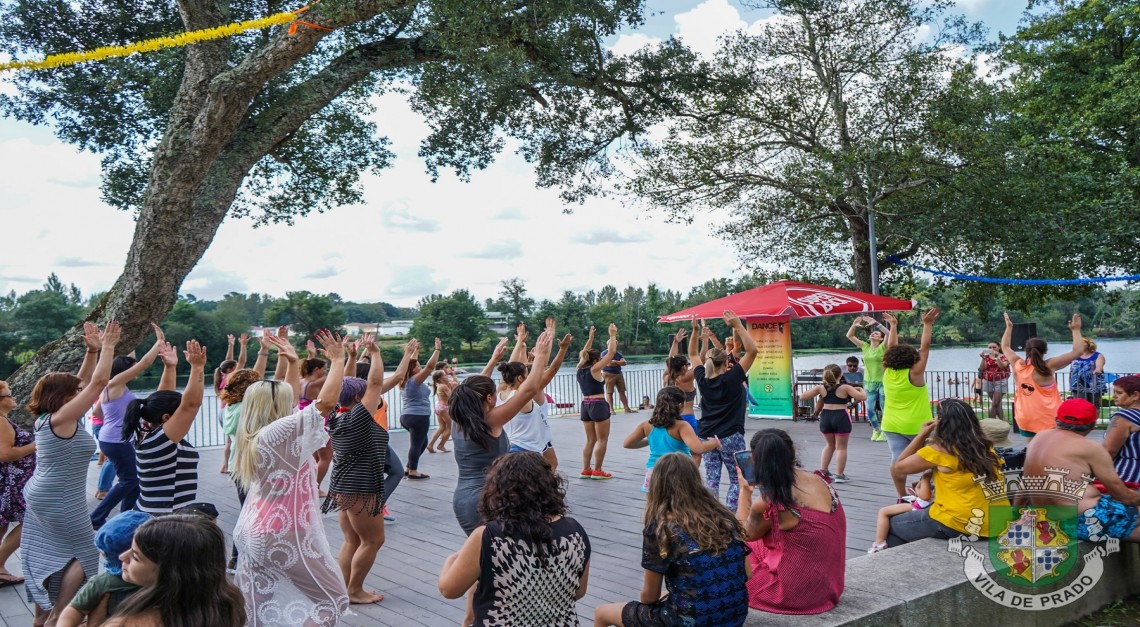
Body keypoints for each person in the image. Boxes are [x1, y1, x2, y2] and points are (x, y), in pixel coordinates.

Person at [231, 330, 350, 626]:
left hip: (251, 528)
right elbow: (324, 403)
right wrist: (338, 360)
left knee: (255, 608)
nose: (295, 402)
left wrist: (294, 361)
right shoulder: (276, 435)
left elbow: (283, 394)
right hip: (280, 531)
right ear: (277, 407)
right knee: (333, 600)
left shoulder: (251, 435)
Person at [449, 331, 554, 626]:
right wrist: (542, 353)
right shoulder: (490, 420)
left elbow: (469, 390)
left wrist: (494, 359)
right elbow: (530, 387)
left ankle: (470, 620)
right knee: (498, 565)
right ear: (490, 399)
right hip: (487, 499)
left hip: (463, 499)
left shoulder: (460, 418)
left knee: (480, 564)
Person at [23, 321, 120, 627]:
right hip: (59, 497)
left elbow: (85, 379)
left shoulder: (49, 419)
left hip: (45, 492)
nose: (82, 391)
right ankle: (58, 618)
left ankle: (42, 616)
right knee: (87, 552)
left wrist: (91, 350)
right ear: (65, 396)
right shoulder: (63, 418)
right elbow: (97, 382)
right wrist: (108, 347)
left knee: (55, 550)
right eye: (75, 391)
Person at [594, 453, 750, 627]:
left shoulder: (662, 528)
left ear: (658, 487)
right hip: (734, 614)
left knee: (602, 613)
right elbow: (747, 573)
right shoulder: (723, 517)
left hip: (690, 621)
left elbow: (649, 596)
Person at [438, 452, 591, 626]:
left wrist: (451, 558)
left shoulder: (488, 536)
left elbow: (449, 589)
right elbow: (578, 591)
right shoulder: (575, 530)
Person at [322, 334, 413, 605]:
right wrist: (374, 353)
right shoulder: (360, 417)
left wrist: (346, 359)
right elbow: (374, 382)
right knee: (373, 541)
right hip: (361, 486)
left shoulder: (336, 415)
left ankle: (344, 588)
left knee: (352, 540)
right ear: (360, 397)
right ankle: (354, 591)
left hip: (342, 485)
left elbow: (347, 385)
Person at [735, 429, 845, 614]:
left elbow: (744, 534)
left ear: (754, 459)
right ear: (792, 452)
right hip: (830, 587)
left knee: (735, 555)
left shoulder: (770, 501)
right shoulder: (820, 480)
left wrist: (745, 491)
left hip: (792, 595)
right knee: (760, 544)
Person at [887, 399, 1009, 546]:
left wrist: (922, 434)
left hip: (960, 522)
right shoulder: (985, 447)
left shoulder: (940, 451)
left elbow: (899, 467)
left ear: (940, 422)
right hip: (998, 522)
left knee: (892, 524)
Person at [1021, 398, 1140, 541]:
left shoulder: (1038, 438)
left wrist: (1015, 513)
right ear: (1093, 425)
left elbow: (1024, 485)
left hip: (1047, 517)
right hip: (1083, 518)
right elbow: (1124, 496)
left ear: (1056, 419)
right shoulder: (1091, 448)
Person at [101, 514, 245, 627]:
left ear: (170, 573)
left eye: (136, 556)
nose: (122, 557)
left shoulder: (134, 622)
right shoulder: (228, 601)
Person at [90, 323, 165, 530]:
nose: (135, 371)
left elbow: (97, 412)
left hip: (111, 438)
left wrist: (117, 420)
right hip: (116, 440)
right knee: (128, 480)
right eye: (130, 367)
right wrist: (159, 341)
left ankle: (128, 516)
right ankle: (96, 517)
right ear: (125, 370)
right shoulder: (114, 384)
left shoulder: (111, 387)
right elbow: (143, 363)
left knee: (134, 479)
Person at [122, 340, 206, 515]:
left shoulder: (144, 427)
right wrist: (197, 368)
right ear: (167, 417)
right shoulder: (162, 439)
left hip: (149, 510)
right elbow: (191, 404)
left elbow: (159, 399)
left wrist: (170, 367)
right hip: (165, 517)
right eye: (178, 412)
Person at [690, 311, 757, 511]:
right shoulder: (733, 377)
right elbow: (752, 351)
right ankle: (733, 515)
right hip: (731, 437)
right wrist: (738, 325)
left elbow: (693, 354)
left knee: (711, 480)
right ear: (726, 363)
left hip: (707, 437)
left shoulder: (702, 379)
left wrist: (695, 332)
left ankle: (711, 515)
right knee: (738, 479)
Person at [879, 309, 938, 498]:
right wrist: (927, 325)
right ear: (912, 359)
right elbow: (925, 348)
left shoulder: (887, 372)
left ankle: (901, 496)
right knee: (936, 459)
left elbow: (890, 348)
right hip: (919, 427)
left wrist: (893, 326)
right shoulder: (915, 374)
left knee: (897, 462)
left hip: (892, 425)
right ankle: (929, 487)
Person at [500, 320, 572, 472]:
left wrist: (520, 342)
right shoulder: (527, 393)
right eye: (527, 373)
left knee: (551, 465)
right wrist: (561, 348)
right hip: (527, 446)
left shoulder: (500, 392)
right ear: (520, 378)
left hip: (517, 442)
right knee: (534, 478)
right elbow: (551, 368)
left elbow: (512, 365)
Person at [57, 511, 151, 627]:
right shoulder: (103, 583)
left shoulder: (165, 584)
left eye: (136, 557)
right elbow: (75, 610)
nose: (123, 558)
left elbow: (75, 611)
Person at [623, 387, 722, 492]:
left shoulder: (647, 425)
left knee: (656, 505)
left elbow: (627, 444)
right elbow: (698, 448)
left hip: (654, 471)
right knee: (681, 504)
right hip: (677, 470)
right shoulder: (682, 426)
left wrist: (652, 440)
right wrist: (714, 443)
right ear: (680, 406)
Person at [1001, 313, 1083, 439]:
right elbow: (1077, 351)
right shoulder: (1048, 366)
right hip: (1048, 418)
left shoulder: (1017, 364)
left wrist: (1009, 327)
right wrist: (1076, 330)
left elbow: (1005, 346)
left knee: (1033, 451)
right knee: (1051, 451)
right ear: (1045, 351)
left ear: (1025, 350)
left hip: (1025, 416)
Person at [799, 364, 867, 482]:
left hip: (826, 417)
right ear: (840, 375)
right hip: (841, 416)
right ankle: (840, 475)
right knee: (841, 448)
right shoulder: (845, 387)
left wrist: (817, 389)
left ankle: (823, 470)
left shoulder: (821, 388)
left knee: (829, 445)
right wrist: (860, 389)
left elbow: (803, 396)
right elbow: (863, 397)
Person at [0, 378, 34, 588]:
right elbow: (5, 454)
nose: (13, 397)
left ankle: (1, 568)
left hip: (10, 481)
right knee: (30, 521)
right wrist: (35, 446)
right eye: (8, 394)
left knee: (2, 524)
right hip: (11, 482)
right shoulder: (1, 422)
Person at [576, 325, 621, 479]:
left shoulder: (579, 368)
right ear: (596, 360)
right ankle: (598, 470)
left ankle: (586, 469)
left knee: (590, 440)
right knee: (602, 439)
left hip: (585, 405)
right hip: (598, 404)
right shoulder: (595, 369)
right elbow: (612, 353)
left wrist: (590, 339)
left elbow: (583, 354)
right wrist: (613, 335)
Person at [400, 337, 441, 480]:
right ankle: (413, 471)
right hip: (418, 416)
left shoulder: (405, 381)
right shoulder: (415, 381)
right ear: (412, 370)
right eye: (417, 366)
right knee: (417, 444)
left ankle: (408, 467)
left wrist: (415, 350)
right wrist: (437, 350)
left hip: (407, 416)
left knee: (421, 443)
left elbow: (411, 363)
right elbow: (430, 368)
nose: (420, 367)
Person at [846, 315, 888, 441]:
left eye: (876, 333)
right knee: (869, 408)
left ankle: (885, 431)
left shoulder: (883, 347)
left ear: (880, 338)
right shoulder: (865, 346)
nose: (873, 334)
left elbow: (889, 334)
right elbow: (850, 336)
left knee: (883, 407)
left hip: (882, 381)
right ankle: (876, 430)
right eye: (872, 332)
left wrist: (877, 323)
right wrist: (854, 324)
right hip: (869, 382)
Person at [868, 472, 932, 554]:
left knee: (883, 512)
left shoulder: (929, 475)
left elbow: (925, 496)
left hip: (919, 506)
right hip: (924, 505)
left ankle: (879, 543)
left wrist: (921, 484)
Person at [215, 332, 249, 474]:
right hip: (230, 411)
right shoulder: (231, 376)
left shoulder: (222, 376)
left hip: (222, 411)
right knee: (234, 441)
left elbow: (228, 360)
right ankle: (232, 466)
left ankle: (225, 466)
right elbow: (242, 361)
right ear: (230, 370)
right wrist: (243, 346)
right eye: (235, 367)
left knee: (229, 441)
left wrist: (231, 344)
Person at [1101, 376, 1140, 485]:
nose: (1114, 396)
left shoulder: (1125, 416)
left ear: (1135, 395)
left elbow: (1109, 451)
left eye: (1119, 393)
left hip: (1128, 476)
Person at [1070, 337, 1107, 409]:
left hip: (1094, 385)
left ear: (1088, 344)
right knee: (1079, 406)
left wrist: (1098, 369)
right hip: (1077, 385)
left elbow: (1099, 364)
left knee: (1094, 406)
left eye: (1081, 342)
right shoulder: (1074, 356)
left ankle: (1093, 419)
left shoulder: (1098, 355)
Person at [978, 342, 1011, 420]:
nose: (991, 349)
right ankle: (1002, 421)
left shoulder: (1005, 356)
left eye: (994, 347)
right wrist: (983, 358)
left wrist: (996, 358)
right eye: (989, 348)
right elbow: (982, 369)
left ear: (999, 347)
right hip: (988, 380)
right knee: (997, 403)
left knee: (994, 403)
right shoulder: (987, 357)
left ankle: (991, 423)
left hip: (1000, 381)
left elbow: (1002, 367)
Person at [428, 367, 456, 453]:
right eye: (444, 375)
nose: (447, 375)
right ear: (440, 378)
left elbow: (455, 383)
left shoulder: (440, 385)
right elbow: (452, 397)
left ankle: (430, 445)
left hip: (439, 407)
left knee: (442, 427)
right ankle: (441, 445)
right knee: (450, 427)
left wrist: (453, 377)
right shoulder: (443, 386)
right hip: (444, 408)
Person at [600, 347, 634, 414]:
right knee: (609, 392)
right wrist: (618, 362)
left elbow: (624, 363)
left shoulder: (618, 354)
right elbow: (608, 364)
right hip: (608, 374)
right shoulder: (604, 353)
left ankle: (626, 408)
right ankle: (611, 410)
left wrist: (614, 362)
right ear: (608, 345)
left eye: (616, 345)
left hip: (618, 374)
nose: (615, 346)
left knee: (622, 391)